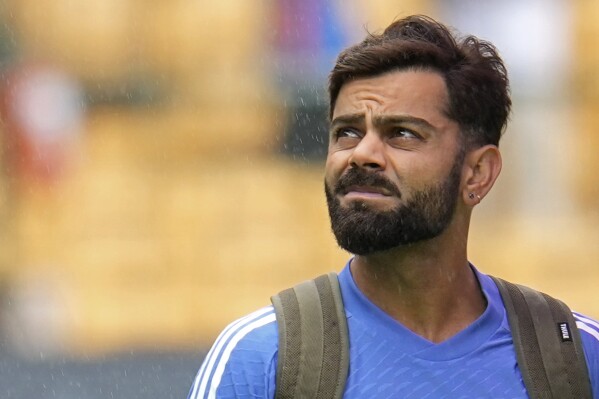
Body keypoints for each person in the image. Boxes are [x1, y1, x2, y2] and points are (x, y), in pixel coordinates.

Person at [188, 15, 599, 398]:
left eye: (401, 133)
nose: (362, 154)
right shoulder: (264, 359)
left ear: (477, 173)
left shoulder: (575, 358)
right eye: (347, 132)